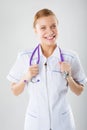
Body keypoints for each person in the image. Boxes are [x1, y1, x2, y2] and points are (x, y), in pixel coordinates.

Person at [7, 8, 87, 130]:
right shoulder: (25, 57)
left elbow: (79, 91)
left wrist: (68, 77)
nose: (50, 32)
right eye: (43, 28)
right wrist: (26, 77)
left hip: (63, 123)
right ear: (35, 30)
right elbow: (14, 91)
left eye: (53, 26)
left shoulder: (71, 57)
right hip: (35, 123)